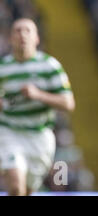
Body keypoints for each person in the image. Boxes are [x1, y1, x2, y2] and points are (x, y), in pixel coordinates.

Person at [0, 18, 75, 196]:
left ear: (37, 38)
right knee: (16, 185)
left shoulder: (49, 66)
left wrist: (38, 95)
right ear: (10, 38)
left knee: (27, 190)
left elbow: (68, 103)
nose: (22, 35)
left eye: (27, 31)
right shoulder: (3, 67)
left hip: (40, 136)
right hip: (10, 132)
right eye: (18, 31)